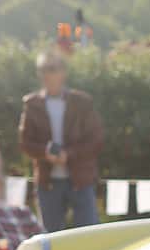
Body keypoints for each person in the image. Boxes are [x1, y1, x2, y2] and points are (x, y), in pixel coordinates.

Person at [18, 51, 104, 230]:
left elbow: (96, 140)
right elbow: (26, 142)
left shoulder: (82, 102)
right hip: (48, 182)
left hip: (80, 179)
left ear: (63, 72)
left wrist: (69, 155)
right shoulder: (32, 104)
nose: (46, 74)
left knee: (88, 233)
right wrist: (45, 153)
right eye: (42, 69)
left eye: (52, 69)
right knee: (51, 237)